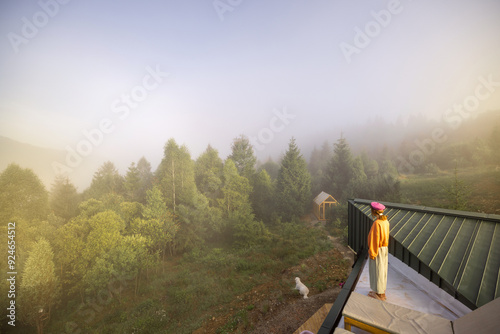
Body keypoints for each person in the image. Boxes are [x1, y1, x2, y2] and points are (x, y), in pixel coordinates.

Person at [367, 201, 389, 301]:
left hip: (378, 249)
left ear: (373, 211)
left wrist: (372, 253)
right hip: (384, 249)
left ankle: (379, 295)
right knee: (382, 270)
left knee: (377, 270)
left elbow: (374, 240)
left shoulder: (377, 223)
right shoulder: (386, 221)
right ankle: (381, 292)